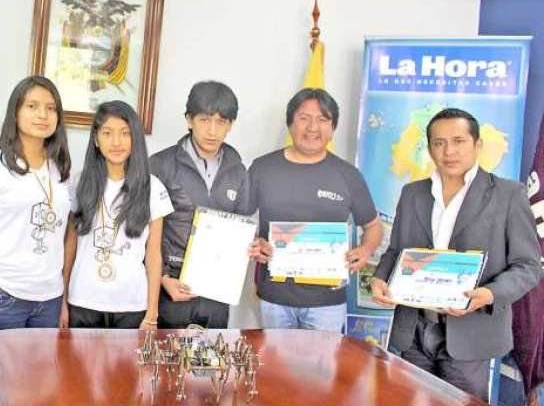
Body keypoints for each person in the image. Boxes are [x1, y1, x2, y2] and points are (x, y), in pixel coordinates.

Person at [371, 108, 542, 400]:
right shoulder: (412, 192)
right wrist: (379, 278)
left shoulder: (508, 195)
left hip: (471, 333)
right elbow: (395, 252)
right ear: (430, 148)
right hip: (413, 331)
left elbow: (528, 266)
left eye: (458, 141)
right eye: (439, 143)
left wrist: (488, 294)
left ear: (477, 145)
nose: (448, 151)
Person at [249, 88, 382, 332]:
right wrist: (254, 243)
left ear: (332, 129)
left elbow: (373, 226)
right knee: (276, 368)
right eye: (304, 118)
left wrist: (365, 249)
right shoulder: (262, 168)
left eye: (322, 120)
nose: (312, 127)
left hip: (327, 303)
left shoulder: (348, 175)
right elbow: (241, 222)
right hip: (274, 297)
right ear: (290, 123)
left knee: (320, 370)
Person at [0, 76, 71, 342]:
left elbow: (67, 235)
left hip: (50, 298)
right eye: (32, 106)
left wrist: (64, 298)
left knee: (40, 381)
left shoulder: (61, 169)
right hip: (2, 294)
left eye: (51, 107)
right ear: (15, 113)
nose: (42, 115)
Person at [61, 101, 172, 330]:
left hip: (132, 307)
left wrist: (152, 314)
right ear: (95, 139)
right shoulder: (79, 183)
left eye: (125, 133)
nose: (116, 142)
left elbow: (153, 255)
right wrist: (62, 302)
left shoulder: (152, 187)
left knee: (128, 368)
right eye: (107, 133)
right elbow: (69, 246)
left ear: (136, 139)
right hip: (82, 302)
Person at [150, 81, 251, 329]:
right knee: (166, 364)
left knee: (211, 365)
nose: (212, 130)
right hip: (170, 288)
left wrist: (251, 245)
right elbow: (143, 231)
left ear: (231, 125)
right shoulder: (160, 165)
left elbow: (243, 225)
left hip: (216, 293)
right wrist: (162, 278)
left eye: (221, 122)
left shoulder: (238, 171)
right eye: (205, 120)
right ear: (189, 119)